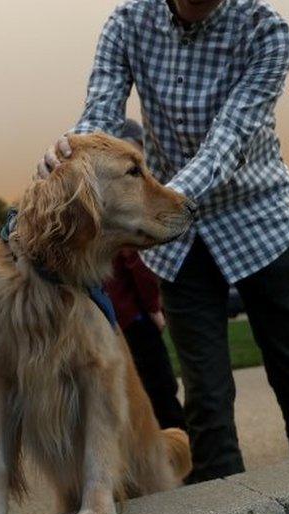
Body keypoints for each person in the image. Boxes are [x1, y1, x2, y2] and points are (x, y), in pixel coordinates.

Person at [39, 0, 289, 482]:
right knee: (205, 396)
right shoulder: (128, 20)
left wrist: (164, 201)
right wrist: (69, 154)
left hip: (257, 220)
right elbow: (101, 113)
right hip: (178, 238)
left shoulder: (267, 31)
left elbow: (229, 138)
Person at [104, 120, 187, 431]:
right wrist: (153, 307)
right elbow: (136, 262)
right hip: (134, 316)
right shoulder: (132, 207)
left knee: (137, 389)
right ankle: (178, 449)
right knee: (160, 386)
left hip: (114, 315)